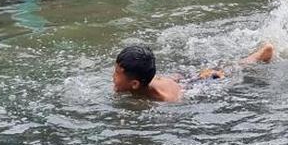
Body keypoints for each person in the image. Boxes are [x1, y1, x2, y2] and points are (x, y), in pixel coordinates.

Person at [112, 43, 275, 102]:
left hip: (193, 86)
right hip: (177, 79)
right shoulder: (136, 83)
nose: (113, 77)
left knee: (224, 72)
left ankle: (259, 56)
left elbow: (178, 97)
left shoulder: (165, 99)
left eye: (117, 73)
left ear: (135, 84)